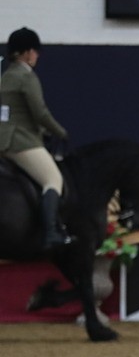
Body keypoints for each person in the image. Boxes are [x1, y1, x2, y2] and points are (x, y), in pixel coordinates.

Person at [0, 27, 70, 248]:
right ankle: (50, 233)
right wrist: (60, 132)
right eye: (35, 51)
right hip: (21, 142)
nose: (37, 56)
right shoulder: (26, 77)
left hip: (4, 139)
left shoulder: (6, 76)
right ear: (27, 52)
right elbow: (39, 113)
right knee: (53, 179)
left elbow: (15, 114)